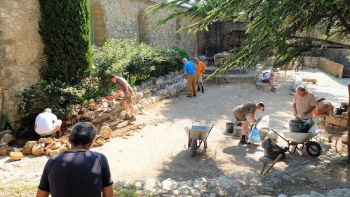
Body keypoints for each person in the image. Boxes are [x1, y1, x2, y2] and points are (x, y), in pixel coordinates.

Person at [36, 122, 113, 197]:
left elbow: (41, 194)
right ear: (91, 142)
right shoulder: (99, 159)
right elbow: (108, 194)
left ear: (69, 140)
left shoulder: (52, 161)